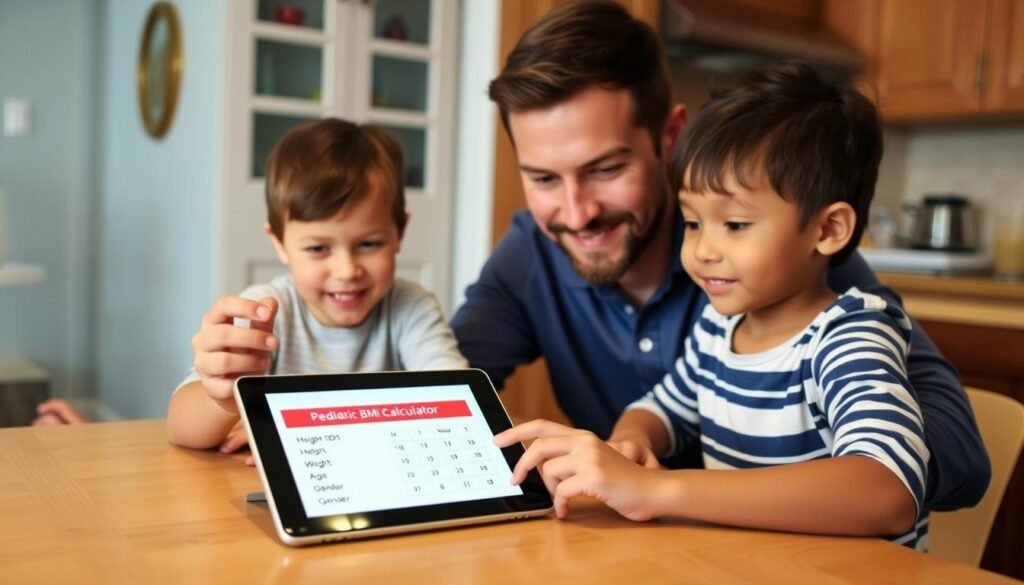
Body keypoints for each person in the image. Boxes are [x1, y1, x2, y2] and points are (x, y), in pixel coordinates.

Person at [450, 0, 988, 510]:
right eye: (544, 179)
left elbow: (953, 459)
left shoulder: (801, 266)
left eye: (606, 170)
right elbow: (444, 387)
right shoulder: (535, 253)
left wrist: (662, 489)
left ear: (670, 137)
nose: (577, 212)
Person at [496, 61, 930, 548]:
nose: (702, 250)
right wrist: (630, 441)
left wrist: (655, 490)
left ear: (828, 230)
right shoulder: (718, 330)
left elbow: (888, 490)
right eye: (693, 223)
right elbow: (662, 407)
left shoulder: (849, 336)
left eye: (736, 225)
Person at [167, 118, 467, 450]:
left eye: (369, 244)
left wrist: (294, 427)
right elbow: (180, 429)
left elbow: (457, 401)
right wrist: (224, 402)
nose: (346, 271)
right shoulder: (266, 311)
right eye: (317, 248)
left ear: (400, 233)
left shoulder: (412, 307)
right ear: (279, 242)